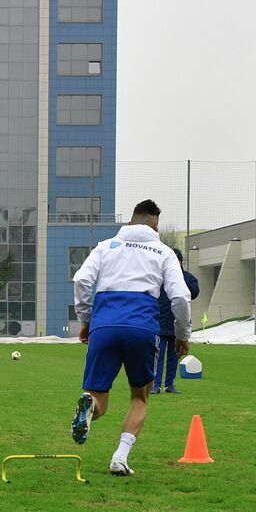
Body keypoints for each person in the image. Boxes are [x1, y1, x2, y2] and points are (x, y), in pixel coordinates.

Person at [70, 199, 192, 476]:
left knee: (98, 396)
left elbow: (82, 281)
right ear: (155, 224)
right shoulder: (162, 251)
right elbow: (180, 296)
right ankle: (120, 456)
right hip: (141, 326)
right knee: (140, 396)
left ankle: (90, 410)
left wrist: (86, 320)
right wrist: (182, 334)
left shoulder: (105, 247)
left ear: (129, 222)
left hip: (104, 324)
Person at [150, 249, 201, 394]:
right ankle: (155, 384)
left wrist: (181, 280)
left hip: (178, 324)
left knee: (174, 356)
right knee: (157, 357)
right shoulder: (159, 277)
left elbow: (194, 292)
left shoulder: (187, 277)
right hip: (160, 322)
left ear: (180, 261)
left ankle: (169, 384)